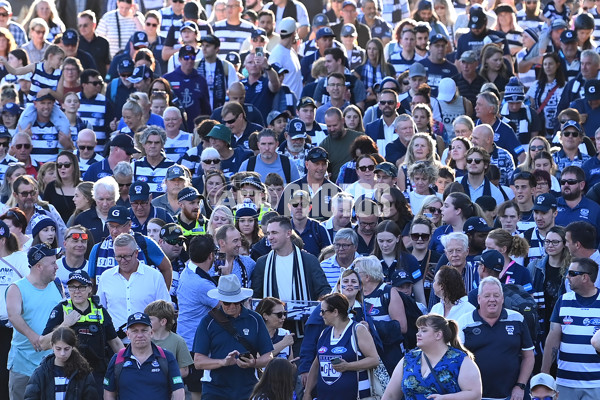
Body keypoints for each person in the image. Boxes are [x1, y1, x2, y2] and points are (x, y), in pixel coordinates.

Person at [41, 270, 123, 396]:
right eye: (73, 287)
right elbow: (43, 344)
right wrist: (65, 324)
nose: (77, 291)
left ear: (90, 288)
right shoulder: (61, 309)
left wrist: (129, 362)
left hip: (97, 373)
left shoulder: (100, 310)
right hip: (68, 373)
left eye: (81, 287)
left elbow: (116, 343)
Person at [193, 274, 273, 400]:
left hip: (248, 388)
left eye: (236, 302)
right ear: (220, 300)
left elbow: (268, 356)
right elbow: (198, 362)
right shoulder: (207, 322)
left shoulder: (255, 319)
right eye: (227, 303)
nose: (232, 306)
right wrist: (223, 362)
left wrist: (254, 363)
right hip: (215, 389)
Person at [456, 276, 535, 400]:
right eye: (487, 296)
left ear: (502, 298)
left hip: (511, 395)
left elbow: (529, 356)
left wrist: (520, 386)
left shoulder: (517, 319)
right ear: (479, 299)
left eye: (496, 295)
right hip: (476, 396)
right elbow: (456, 360)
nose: (492, 300)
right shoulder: (464, 322)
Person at [6, 243, 62, 400]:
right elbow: (14, 316)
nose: (57, 267)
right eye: (52, 263)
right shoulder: (16, 288)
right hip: (23, 365)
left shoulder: (57, 285)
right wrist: (33, 337)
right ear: (39, 266)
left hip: (52, 364)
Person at [382, 314, 482, 400]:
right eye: (418, 330)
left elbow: (475, 394)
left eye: (424, 330)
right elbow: (390, 396)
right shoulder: (408, 359)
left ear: (438, 335)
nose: (418, 334)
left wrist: (445, 398)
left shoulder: (460, 360)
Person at [302, 292, 379, 400]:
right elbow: (316, 364)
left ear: (335, 312)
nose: (320, 315)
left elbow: (374, 360)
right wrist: (307, 392)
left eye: (323, 311)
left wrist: (348, 366)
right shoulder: (325, 333)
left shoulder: (357, 330)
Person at [541, 258, 600, 398]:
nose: (567, 276)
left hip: (596, 383)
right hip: (565, 382)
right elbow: (553, 338)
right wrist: (544, 372)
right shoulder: (563, 300)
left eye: (572, 273)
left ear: (585, 277)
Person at [96, 233, 170, 334]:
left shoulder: (154, 276)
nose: (122, 261)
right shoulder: (106, 277)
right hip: (116, 343)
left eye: (127, 256)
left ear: (136, 253)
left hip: (148, 340)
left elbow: (165, 311)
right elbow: (100, 311)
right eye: (118, 257)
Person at [103, 312, 184, 400]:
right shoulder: (118, 359)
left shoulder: (166, 357)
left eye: (144, 330)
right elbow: (109, 394)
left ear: (151, 333)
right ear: (128, 334)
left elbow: (178, 391)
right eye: (135, 331)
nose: (140, 335)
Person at [353, 255, 407, 375]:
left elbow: (402, 327)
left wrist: (372, 327)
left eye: (356, 271)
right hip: (363, 355)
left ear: (367, 276)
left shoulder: (388, 292)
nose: (352, 274)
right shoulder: (354, 293)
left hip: (389, 354)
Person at [24, 326, 98, 400]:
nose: (62, 353)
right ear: (52, 346)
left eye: (66, 349)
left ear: (72, 347)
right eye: (58, 349)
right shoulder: (41, 372)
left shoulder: (83, 371)